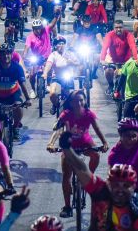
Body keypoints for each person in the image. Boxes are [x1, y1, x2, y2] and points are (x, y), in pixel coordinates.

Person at [46, 90, 108, 218]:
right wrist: (51, 143)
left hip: (86, 143)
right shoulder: (66, 114)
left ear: (85, 101)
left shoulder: (89, 114)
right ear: (70, 103)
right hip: (69, 146)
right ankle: (67, 207)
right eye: (75, 101)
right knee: (66, 177)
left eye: (81, 100)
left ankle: (87, 177)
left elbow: (97, 128)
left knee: (96, 155)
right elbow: (58, 130)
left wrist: (104, 143)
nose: (78, 103)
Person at [0, 44, 32, 139]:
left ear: (12, 55)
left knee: (19, 108)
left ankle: (16, 127)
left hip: (13, 94)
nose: (6, 56)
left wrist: (28, 99)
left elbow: (23, 84)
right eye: (3, 54)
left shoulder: (17, 68)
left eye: (8, 53)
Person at [43, 36, 81, 115]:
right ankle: (55, 105)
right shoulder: (53, 55)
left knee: (70, 97)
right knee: (52, 93)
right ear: (56, 46)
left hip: (68, 77)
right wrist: (45, 73)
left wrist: (72, 62)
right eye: (59, 44)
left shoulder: (69, 54)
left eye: (63, 43)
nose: (61, 45)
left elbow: (78, 63)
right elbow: (48, 64)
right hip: (56, 77)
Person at [100, 19, 138, 95]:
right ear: (113, 28)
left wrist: (136, 59)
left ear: (123, 27)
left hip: (126, 60)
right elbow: (105, 47)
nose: (118, 29)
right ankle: (111, 85)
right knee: (108, 71)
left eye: (120, 27)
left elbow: (133, 47)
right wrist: (102, 59)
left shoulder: (128, 35)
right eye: (116, 27)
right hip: (112, 59)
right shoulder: (109, 35)